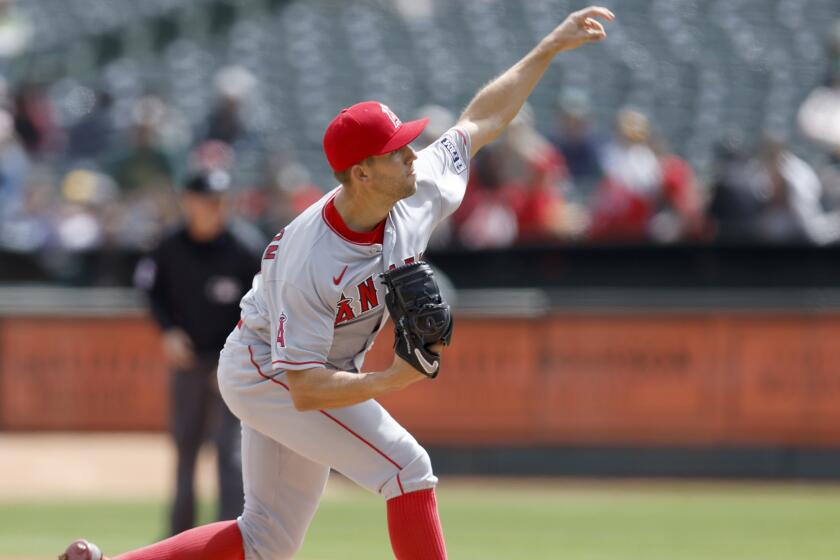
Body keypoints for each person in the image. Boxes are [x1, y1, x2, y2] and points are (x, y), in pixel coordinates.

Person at [60, 7, 614, 560]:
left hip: (314, 366)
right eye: (397, 150)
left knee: (265, 540)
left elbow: (481, 122)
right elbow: (303, 387)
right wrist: (394, 379)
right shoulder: (312, 256)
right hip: (268, 368)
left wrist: (547, 48)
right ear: (362, 173)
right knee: (407, 469)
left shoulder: (414, 190)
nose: (412, 155)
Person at [133, 170, 261, 536]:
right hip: (188, 360)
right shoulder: (169, 246)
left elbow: (262, 304)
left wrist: (234, 357)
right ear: (189, 201)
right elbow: (150, 291)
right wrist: (168, 331)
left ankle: (230, 538)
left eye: (220, 200)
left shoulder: (244, 247)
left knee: (230, 451)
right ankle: (177, 539)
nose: (215, 208)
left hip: (232, 362)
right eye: (208, 200)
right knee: (186, 449)